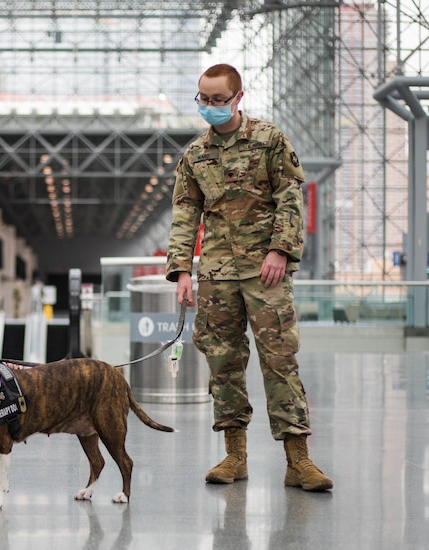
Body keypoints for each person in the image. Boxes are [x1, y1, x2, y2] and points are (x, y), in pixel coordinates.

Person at [165, 63, 332, 492]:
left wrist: (280, 249)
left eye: (218, 100)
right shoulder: (194, 155)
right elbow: (186, 214)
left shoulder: (269, 139)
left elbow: (290, 196)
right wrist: (182, 270)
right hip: (217, 274)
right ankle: (234, 456)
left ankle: (299, 461)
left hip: (266, 271)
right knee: (223, 363)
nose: (210, 107)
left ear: (238, 98)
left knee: (279, 360)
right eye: (203, 99)